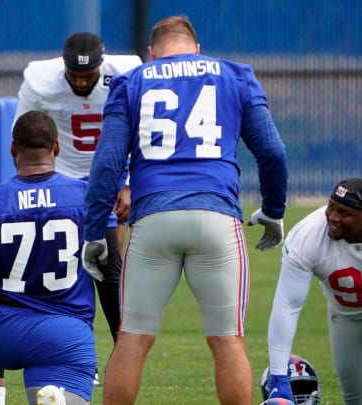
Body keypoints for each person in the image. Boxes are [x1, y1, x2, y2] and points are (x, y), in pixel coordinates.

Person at [82, 15, 288, 404]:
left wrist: (96, 230)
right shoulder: (235, 75)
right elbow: (273, 152)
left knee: (132, 338)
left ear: (152, 53)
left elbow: (107, 164)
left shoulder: (133, 80)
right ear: (196, 48)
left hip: (153, 218)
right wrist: (274, 209)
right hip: (216, 217)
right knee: (227, 341)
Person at [0, 111, 98, 405]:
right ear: (57, 148)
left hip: (1, 335)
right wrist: (119, 339)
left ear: (12, 148)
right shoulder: (86, 197)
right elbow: (110, 274)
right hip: (65, 334)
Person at [14, 31, 142, 349]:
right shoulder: (41, 80)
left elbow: (142, 129)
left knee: (108, 268)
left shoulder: (126, 73)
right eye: (75, 75)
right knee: (64, 269)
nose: (82, 82)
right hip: (62, 178)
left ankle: (121, 351)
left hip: (108, 178)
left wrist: (129, 182)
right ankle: (73, 345)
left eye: (89, 75)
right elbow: (23, 137)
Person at [264, 178, 362, 404]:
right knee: (355, 397)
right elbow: (288, 304)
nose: (334, 218)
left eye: (344, 213)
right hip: (346, 317)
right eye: (331, 207)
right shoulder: (309, 234)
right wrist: (279, 376)